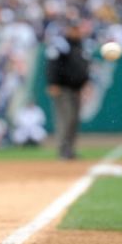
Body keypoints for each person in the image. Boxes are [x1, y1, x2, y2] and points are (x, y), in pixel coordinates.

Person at [45, 16, 90, 160]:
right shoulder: (61, 44)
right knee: (66, 118)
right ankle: (63, 150)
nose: (76, 31)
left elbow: (83, 68)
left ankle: (70, 149)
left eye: (78, 28)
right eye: (74, 29)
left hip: (76, 89)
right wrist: (53, 83)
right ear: (68, 30)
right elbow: (52, 64)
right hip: (63, 88)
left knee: (74, 120)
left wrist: (85, 83)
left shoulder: (81, 45)